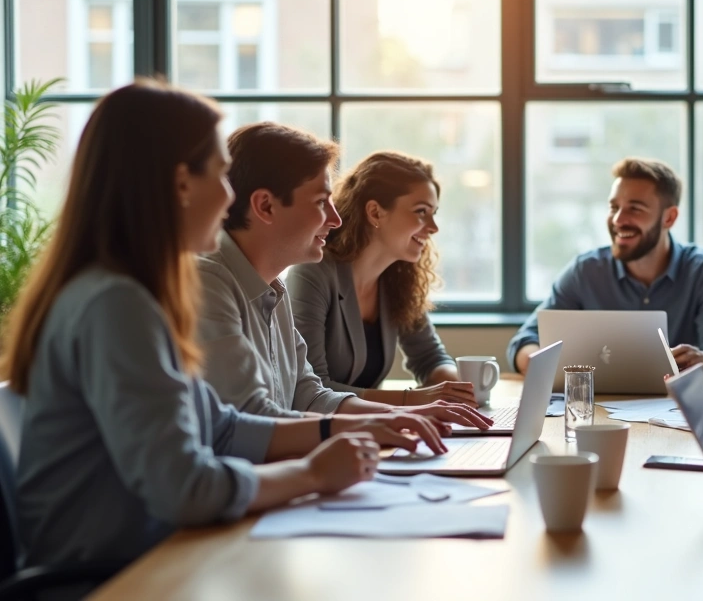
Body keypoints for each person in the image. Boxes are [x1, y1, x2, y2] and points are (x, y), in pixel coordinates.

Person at [1, 80, 442, 576]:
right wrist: (313, 472)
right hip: (115, 577)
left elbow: (224, 426)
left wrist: (348, 427)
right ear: (181, 184)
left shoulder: (136, 292)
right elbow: (185, 487)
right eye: (223, 175)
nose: (230, 196)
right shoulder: (116, 304)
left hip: (153, 558)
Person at [196, 122, 490, 430]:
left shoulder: (272, 287)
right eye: (321, 202)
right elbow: (250, 423)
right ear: (265, 206)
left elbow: (308, 394)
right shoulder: (208, 282)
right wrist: (381, 420)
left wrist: (408, 416)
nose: (335, 220)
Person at [508, 157, 703, 375]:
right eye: (614, 207)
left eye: (635, 208)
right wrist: (534, 360)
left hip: (675, 412)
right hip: (596, 409)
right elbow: (525, 339)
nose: (618, 219)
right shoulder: (586, 271)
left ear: (669, 218)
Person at [288, 150, 473, 407]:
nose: (433, 227)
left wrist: (457, 391)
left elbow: (430, 358)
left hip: (373, 432)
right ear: (375, 212)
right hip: (324, 436)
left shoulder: (397, 279)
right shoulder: (312, 274)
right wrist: (411, 400)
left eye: (434, 213)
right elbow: (313, 388)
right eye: (421, 212)